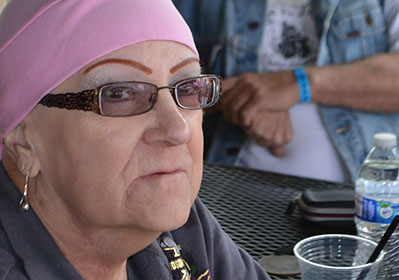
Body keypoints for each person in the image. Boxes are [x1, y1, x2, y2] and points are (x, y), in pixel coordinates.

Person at [0, 0, 271, 279]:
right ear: (24, 143)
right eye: (121, 94)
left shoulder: (181, 229)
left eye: (188, 88)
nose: (178, 130)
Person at [173, 0, 399, 192]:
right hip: (227, 196)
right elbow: (152, 85)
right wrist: (240, 98)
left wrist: (296, 84)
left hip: (369, 203)